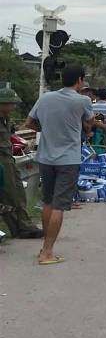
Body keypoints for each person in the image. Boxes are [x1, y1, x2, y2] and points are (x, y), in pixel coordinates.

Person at [26, 64, 94, 265]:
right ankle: (47, 252)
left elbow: (29, 122)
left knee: (47, 202)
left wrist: (46, 127)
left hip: (45, 157)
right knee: (59, 206)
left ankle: (44, 247)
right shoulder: (83, 100)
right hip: (68, 159)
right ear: (80, 80)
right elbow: (89, 123)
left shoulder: (45, 97)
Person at [0, 82, 44, 239]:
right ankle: (20, 227)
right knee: (10, 195)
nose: (14, 107)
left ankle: (22, 226)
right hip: (2, 162)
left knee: (17, 193)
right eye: (11, 103)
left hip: (8, 159)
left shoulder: (5, 118)